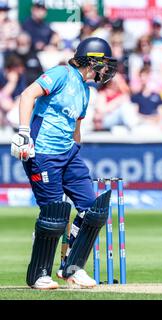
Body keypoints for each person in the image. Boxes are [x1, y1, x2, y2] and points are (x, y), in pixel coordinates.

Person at [10, 37, 118, 290]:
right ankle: (39, 274)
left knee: (94, 209)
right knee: (55, 215)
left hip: (68, 154)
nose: (107, 71)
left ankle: (72, 268)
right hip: (43, 154)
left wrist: (75, 151)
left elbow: (76, 126)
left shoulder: (86, 90)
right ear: (92, 60)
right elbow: (27, 95)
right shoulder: (61, 73)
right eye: (105, 64)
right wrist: (24, 133)